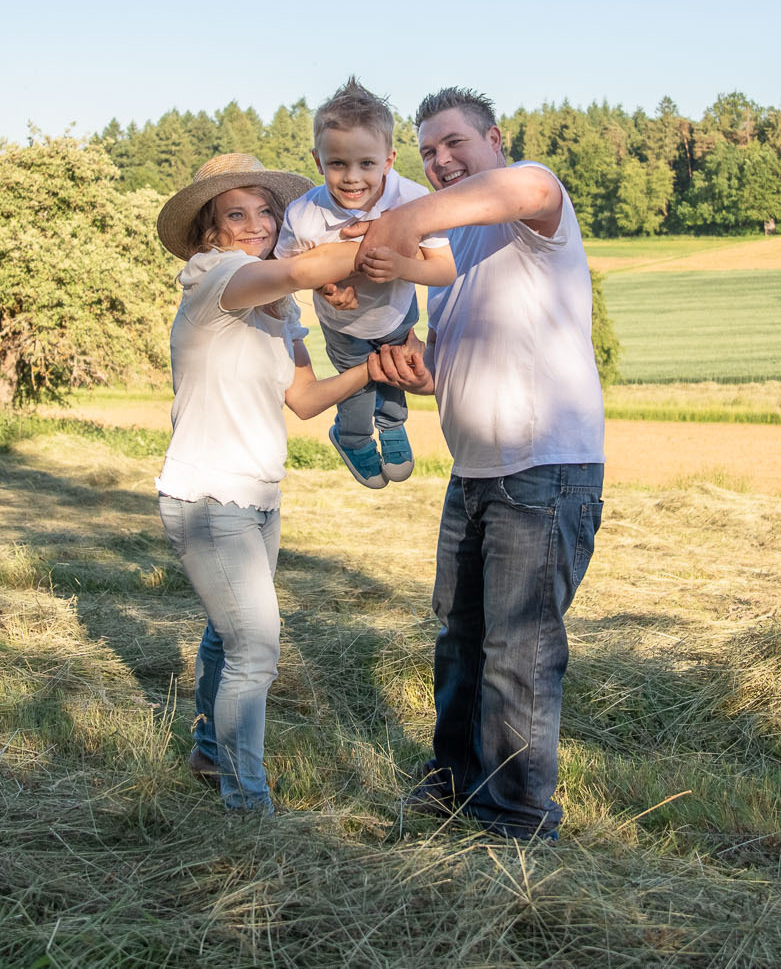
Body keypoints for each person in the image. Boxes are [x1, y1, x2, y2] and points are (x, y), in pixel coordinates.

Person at [351, 87, 606, 840]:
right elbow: (467, 354)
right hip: (475, 474)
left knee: (516, 651)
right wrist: (420, 367)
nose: (441, 160)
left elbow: (528, 183)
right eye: (428, 152)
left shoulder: (533, 203)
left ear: (494, 139)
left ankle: (517, 821)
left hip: (543, 470)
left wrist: (403, 216)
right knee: (461, 642)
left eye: (454, 142)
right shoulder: (462, 251)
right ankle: (455, 786)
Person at [153, 152, 378, 814]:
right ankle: (246, 802)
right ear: (211, 231)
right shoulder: (216, 277)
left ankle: (209, 751)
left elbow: (305, 398)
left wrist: (372, 368)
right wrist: (376, 241)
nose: (254, 224)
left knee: (228, 635)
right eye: (236, 213)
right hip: (207, 497)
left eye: (266, 212)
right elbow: (307, 267)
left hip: (258, 495)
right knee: (256, 644)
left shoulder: (277, 310)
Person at [276, 79, 455, 489]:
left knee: (397, 373)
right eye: (338, 163)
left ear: (389, 160)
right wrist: (325, 288)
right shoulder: (304, 214)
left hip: (396, 315)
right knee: (356, 393)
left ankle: (392, 426)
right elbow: (284, 272)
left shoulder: (412, 199)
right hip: (343, 328)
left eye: (367, 164)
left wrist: (401, 268)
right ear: (318, 162)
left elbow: (444, 270)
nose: (352, 178)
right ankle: (352, 436)